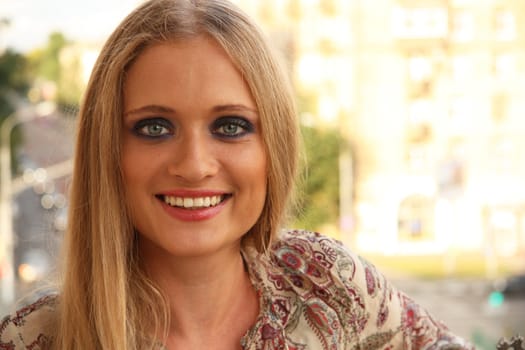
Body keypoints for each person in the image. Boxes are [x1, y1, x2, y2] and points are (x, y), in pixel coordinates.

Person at [0, 0, 475, 349]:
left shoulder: (329, 285)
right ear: (107, 152)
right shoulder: (33, 339)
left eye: (231, 126)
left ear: (275, 147)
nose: (193, 165)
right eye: (154, 127)